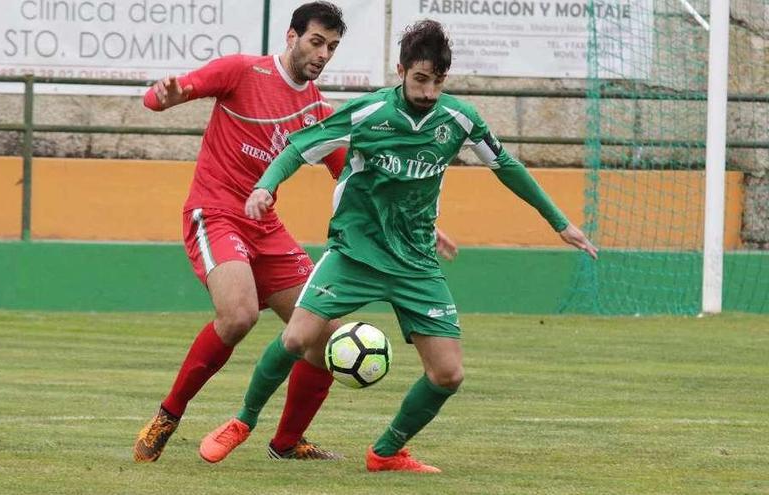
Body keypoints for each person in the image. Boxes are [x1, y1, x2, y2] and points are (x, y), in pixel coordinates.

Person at [198, 19, 599, 473]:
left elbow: (506, 166)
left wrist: (559, 222)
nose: (428, 91)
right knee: (296, 337)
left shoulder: (458, 119)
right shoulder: (369, 113)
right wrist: (265, 187)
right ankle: (242, 421)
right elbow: (298, 147)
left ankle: (386, 451)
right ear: (401, 70)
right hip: (355, 254)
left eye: (437, 81)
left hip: (415, 263)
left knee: (448, 375)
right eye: (420, 79)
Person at [133, 2, 458, 463]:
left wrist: (413, 217)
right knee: (239, 313)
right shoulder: (242, 72)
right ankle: (168, 414)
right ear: (291, 36)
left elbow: (350, 171)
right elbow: (161, 97)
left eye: (332, 46)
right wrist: (162, 97)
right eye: (316, 41)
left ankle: (286, 443)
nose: (323, 54)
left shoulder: (316, 108)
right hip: (217, 213)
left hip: (266, 226)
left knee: (325, 329)